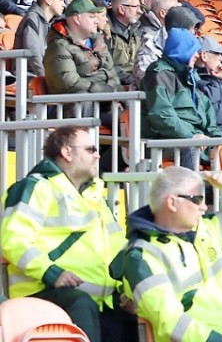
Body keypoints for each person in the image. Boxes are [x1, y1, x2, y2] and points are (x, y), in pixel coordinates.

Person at [1, 126, 135, 342]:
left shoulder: (94, 196)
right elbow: (15, 241)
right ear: (67, 152)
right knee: (81, 303)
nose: (98, 155)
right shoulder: (35, 187)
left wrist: (127, 288)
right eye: (91, 149)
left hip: (97, 298)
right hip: (42, 290)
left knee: (134, 311)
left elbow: (117, 247)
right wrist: (52, 273)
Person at [112, 166, 222, 342]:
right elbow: (169, 320)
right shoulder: (142, 256)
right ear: (172, 203)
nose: (204, 207)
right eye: (197, 199)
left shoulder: (208, 228)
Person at [141, 28, 222, 168]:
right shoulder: (159, 75)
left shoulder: (189, 75)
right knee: (190, 147)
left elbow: (206, 110)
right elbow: (161, 115)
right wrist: (191, 136)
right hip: (164, 141)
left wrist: (218, 139)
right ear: (182, 51)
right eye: (193, 51)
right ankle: (189, 183)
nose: (197, 55)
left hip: (197, 139)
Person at [43, 0, 121, 111]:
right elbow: (69, 82)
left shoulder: (99, 42)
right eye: (91, 17)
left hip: (103, 103)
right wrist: (107, 93)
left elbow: (112, 74)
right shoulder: (59, 47)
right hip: (70, 110)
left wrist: (117, 96)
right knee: (84, 101)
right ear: (77, 19)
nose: (96, 21)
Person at [14, 0, 64, 77]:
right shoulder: (32, 19)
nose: (63, 4)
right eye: (60, 0)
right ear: (48, 1)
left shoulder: (55, 24)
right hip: (27, 75)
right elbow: (33, 53)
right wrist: (46, 77)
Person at [103, 0, 142, 85]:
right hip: (117, 85)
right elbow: (107, 65)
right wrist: (131, 80)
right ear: (121, 9)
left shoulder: (137, 29)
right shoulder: (105, 32)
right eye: (135, 7)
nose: (140, 11)